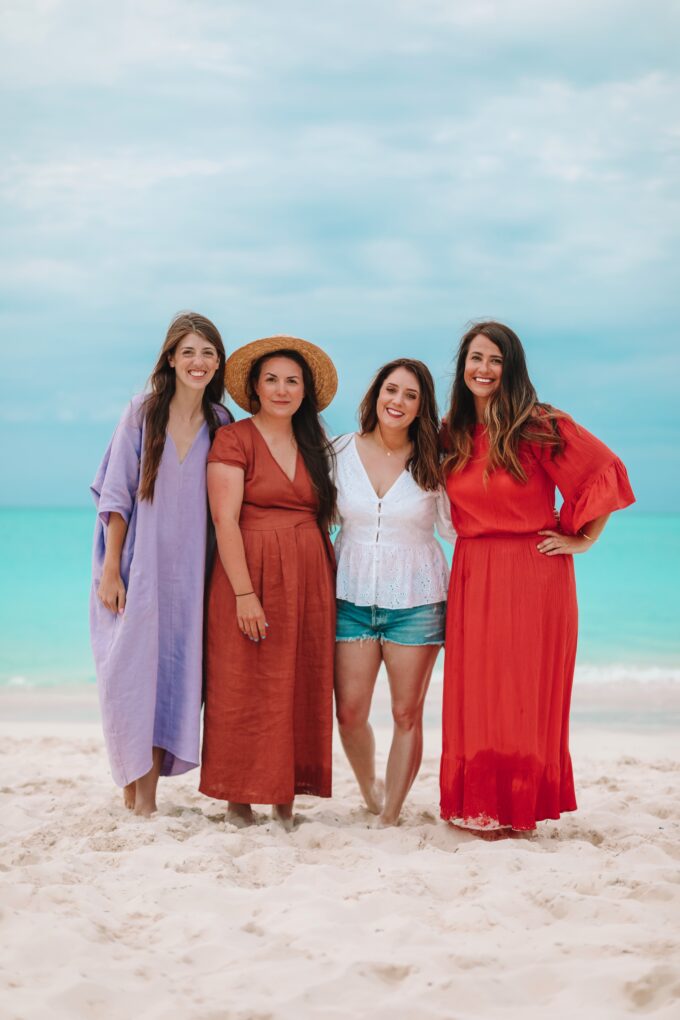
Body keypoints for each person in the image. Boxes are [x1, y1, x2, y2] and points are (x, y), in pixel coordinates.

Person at [440, 321, 635, 836]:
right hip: (472, 570)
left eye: (495, 360)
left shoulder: (539, 424)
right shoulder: (452, 430)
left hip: (533, 572)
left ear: (512, 368)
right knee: (477, 692)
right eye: (475, 358)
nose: (483, 369)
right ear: (462, 366)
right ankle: (479, 803)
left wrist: (585, 539)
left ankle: (520, 810)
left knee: (523, 693)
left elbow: (604, 473)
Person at [90, 312, 230, 816]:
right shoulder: (142, 413)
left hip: (193, 574)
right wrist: (111, 572)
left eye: (208, 352)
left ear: (218, 363)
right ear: (171, 358)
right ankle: (136, 791)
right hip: (139, 568)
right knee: (130, 676)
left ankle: (141, 796)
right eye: (189, 351)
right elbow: (116, 495)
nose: (199, 361)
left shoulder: (222, 423)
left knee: (173, 676)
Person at [199, 335, 338, 830]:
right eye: (272, 380)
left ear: (304, 391)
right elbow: (225, 520)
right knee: (243, 680)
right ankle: (239, 800)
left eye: (292, 381)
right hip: (250, 571)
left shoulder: (314, 442)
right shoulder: (233, 439)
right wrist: (244, 593)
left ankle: (285, 800)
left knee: (299, 680)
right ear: (255, 388)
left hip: (309, 576)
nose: (282, 389)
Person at [333, 359, 455, 827]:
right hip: (351, 597)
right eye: (391, 390)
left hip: (418, 602)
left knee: (406, 712)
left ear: (422, 407)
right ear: (375, 394)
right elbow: (309, 509)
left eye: (410, 395)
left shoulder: (436, 463)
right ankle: (370, 790)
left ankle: (390, 818)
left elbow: (460, 530)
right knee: (349, 713)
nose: (397, 401)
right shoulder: (339, 450)